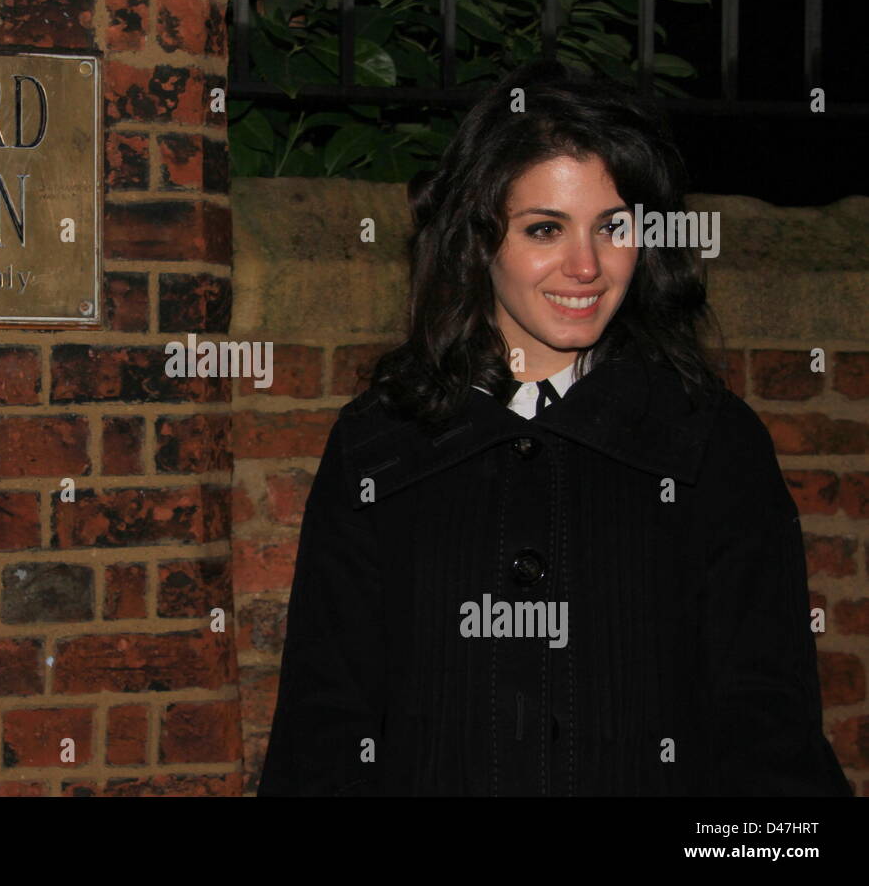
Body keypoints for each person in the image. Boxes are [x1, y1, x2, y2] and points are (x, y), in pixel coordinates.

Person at [256, 60, 852, 796]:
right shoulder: (380, 444)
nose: (586, 267)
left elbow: (768, 730)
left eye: (614, 227)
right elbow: (325, 728)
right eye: (545, 228)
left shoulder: (710, 444)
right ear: (479, 241)